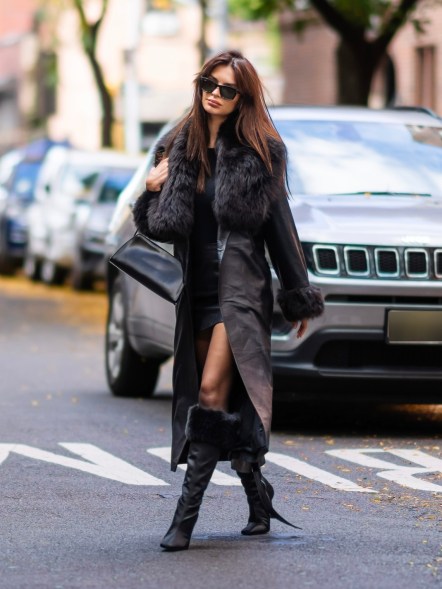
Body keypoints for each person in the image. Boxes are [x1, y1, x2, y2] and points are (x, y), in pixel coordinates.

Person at [133, 49, 324, 552]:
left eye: (227, 89)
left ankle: (184, 521)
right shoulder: (179, 146)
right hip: (193, 295)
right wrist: (151, 188)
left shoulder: (261, 153)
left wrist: (297, 295)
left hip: (240, 295)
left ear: (244, 99)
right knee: (220, 404)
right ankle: (258, 496)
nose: (215, 94)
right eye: (208, 83)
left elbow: (282, 228)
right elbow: (159, 226)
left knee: (212, 394)